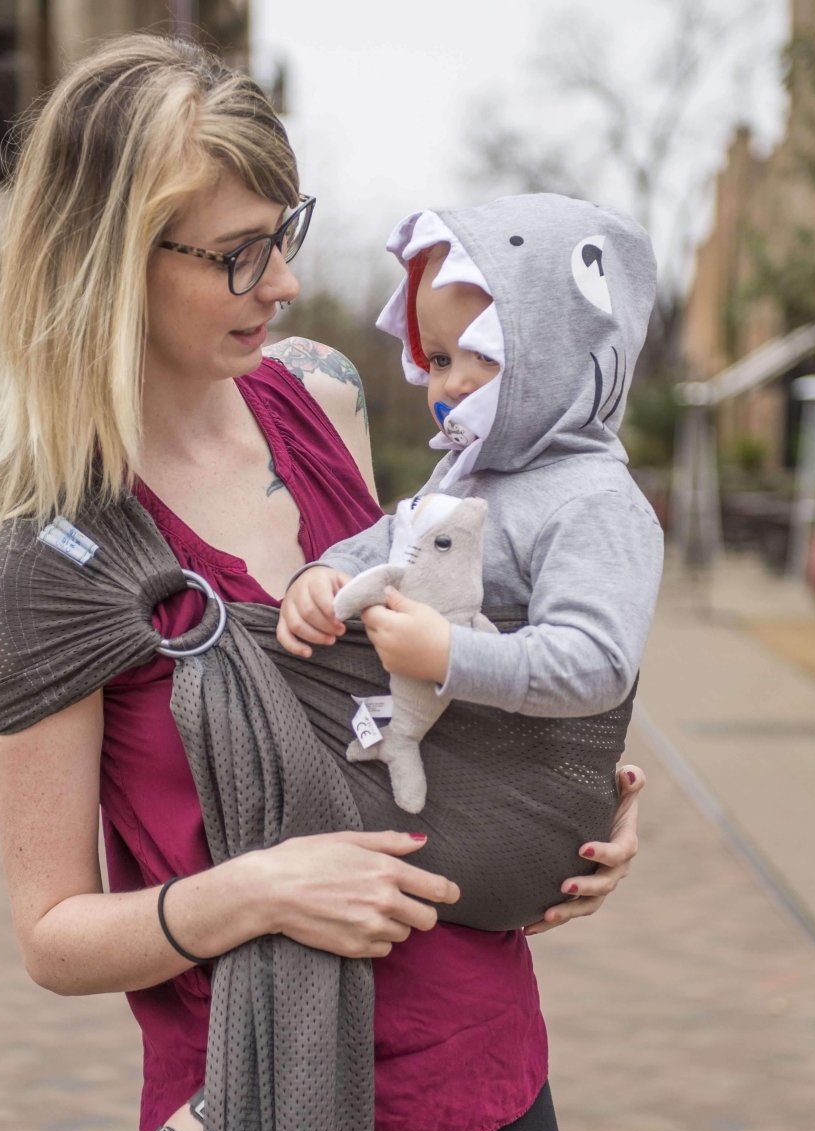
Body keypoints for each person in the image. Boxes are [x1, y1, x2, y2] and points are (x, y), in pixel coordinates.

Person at [0, 34, 644, 1131]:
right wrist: (262, 889)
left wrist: (560, 809)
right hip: (264, 1115)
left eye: (285, 233)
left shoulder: (321, 399)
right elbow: (53, 934)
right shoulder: (56, 555)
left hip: (489, 1070)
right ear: (108, 263)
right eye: (237, 254)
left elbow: (398, 697)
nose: (280, 284)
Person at [280, 196, 662, 742]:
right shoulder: (464, 472)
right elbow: (398, 535)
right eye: (438, 359)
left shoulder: (594, 501)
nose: (452, 382)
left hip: (523, 796)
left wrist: (448, 654)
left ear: (557, 355)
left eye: (482, 353)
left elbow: (598, 664)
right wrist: (327, 572)